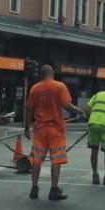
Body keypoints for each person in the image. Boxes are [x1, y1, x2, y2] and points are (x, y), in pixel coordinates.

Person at [25, 65, 84, 201]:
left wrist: (27, 128)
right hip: (56, 129)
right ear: (52, 73)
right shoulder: (59, 86)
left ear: (41, 75)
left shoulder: (35, 88)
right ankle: (54, 189)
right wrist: (79, 111)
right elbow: (66, 105)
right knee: (56, 159)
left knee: (36, 159)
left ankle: (34, 188)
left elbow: (29, 109)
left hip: (40, 129)